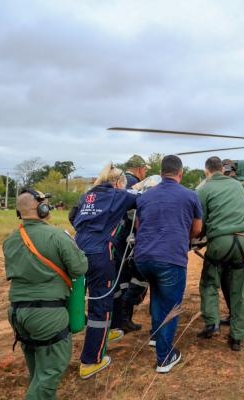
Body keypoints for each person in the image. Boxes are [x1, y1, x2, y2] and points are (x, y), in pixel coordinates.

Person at [4, 189, 88, 399]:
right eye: (45, 204)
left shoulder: (10, 240)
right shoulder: (57, 235)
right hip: (47, 315)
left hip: (17, 313)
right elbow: (79, 268)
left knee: (38, 372)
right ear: (41, 209)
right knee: (49, 375)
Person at [134, 155, 203, 373]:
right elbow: (197, 229)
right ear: (180, 174)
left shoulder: (145, 196)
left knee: (157, 294)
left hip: (143, 258)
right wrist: (184, 238)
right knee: (172, 305)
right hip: (171, 258)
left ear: (161, 173)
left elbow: (138, 225)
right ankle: (165, 357)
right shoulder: (190, 196)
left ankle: (156, 336)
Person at [72, 164, 137, 379]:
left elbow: (73, 217)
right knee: (101, 304)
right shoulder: (118, 195)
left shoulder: (86, 196)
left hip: (76, 249)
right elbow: (141, 199)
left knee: (87, 296)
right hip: (99, 253)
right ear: (118, 182)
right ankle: (91, 360)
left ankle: (105, 333)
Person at [197, 156, 244, 351]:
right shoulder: (238, 185)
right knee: (241, 290)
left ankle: (212, 324)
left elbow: (200, 220)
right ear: (222, 169)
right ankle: (237, 337)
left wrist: (201, 236)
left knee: (209, 282)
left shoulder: (204, 188)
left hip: (220, 242)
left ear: (207, 171)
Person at [112, 154, 150, 333]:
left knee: (123, 279)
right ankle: (124, 318)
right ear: (140, 168)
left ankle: (121, 318)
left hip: (118, 239)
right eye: (145, 169)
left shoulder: (120, 181)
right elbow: (136, 213)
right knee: (137, 277)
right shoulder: (135, 184)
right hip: (130, 239)